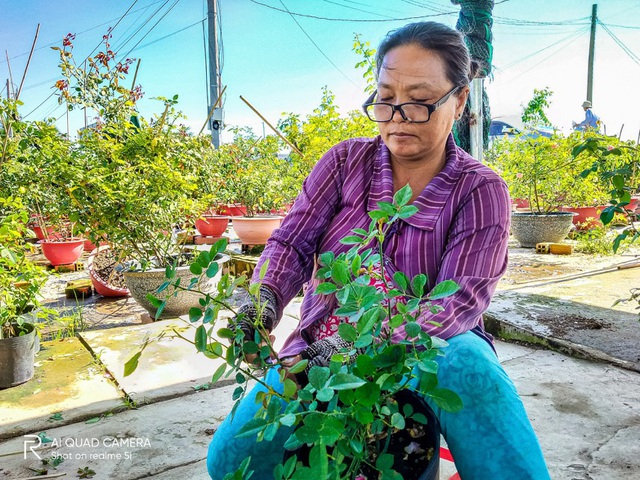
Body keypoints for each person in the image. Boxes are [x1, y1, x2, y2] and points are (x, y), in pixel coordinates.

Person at [207, 21, 550, 480]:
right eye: (386, 99)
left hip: (424, 352)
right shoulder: (345, 162)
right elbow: (290, 241)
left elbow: (460, 300)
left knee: (469, 366)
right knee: (231, 460)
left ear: (460, 99)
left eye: (420, 100)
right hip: (316, 353)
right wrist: (262, 301)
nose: (399, 115)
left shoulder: (479, 189)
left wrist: (359, 343)